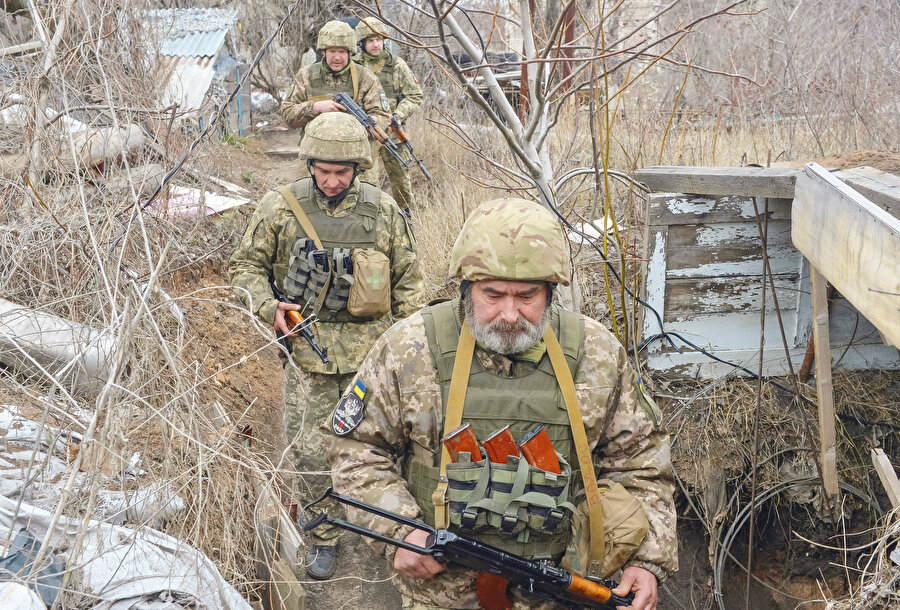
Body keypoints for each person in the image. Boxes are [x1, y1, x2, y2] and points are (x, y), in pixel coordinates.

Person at [325, 198, 677, 609]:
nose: (509, 314)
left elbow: (642, 462)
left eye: (527, 295)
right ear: (466, 287)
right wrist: (398, 531)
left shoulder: (596, 353)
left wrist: (646, 559)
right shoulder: (410, 348)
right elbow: (356, 448)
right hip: (442, 594)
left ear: (551, 291)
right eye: (492, 295)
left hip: (565, 589)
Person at [228, 111, 426, 580]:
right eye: (323, 171)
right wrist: (266, 306)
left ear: (359, 167)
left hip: (374, 358)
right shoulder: (280, 208)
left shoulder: (382, 212)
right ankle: (322, 531)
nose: (333, 181)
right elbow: (245, 268)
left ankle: (391, 531)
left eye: (343, 172)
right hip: (305, 352)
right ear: (309, 163)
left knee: (384, 448)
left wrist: (410, 350)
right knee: (312, 453)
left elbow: (409, 285)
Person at [281, 19, 390, 182]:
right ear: (323, 51)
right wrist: (315, 107)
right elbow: (288, 113)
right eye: (332, 51)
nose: (337, 57)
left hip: (356, 161)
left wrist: (354, 126)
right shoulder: (306, 75)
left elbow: (382, 116)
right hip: (316, 162)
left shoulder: (365, 78)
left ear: (350, 52)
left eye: (342, 51)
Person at [354, 17, 424, 216]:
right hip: (367, 135)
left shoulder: (396, 65)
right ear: (362, 43)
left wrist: (400, 115)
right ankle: (370, 218)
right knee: (367, 182)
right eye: (370, 40)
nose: (376, 44)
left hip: (393, 133)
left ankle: (405, 218)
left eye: (379, 39)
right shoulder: (355, 67)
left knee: (401, 181)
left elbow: (415, 95)